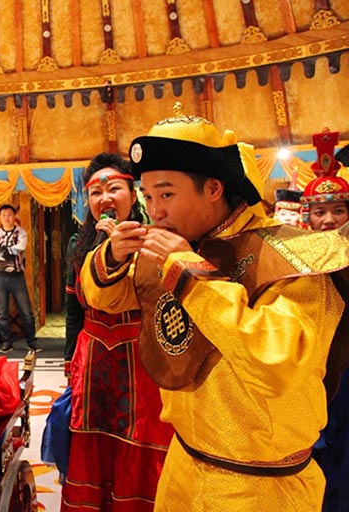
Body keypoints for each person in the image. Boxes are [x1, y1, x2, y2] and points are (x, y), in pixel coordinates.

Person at [80, 104, 349, 511]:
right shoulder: (181, 243)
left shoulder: (293, 255)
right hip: (182, 462)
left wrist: (189, 274)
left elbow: (277, 363)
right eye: (148, 196)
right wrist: (113, 255)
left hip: (259, 486)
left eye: (167, 194)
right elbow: (105, 298)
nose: (156, 211)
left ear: (213, 188)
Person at [59, 153, 172, 511]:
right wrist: (67, 362)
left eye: (114, 189)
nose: (104, 198)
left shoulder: (156, 238)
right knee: (91, 442)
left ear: (133, 193)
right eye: (95, 192)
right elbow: (74, 309)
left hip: (142, 359)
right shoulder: (78, 244)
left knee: (142, 440)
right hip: (92, 358)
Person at [300, 128, 349, 512]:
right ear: (309, 218)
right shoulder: (297, 262)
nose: (329, 219)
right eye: (320, 212)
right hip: (314, 367)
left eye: (338, 210)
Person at [0, 204, 41, 353]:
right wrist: (9, 252)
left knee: (26, 310)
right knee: (2, 312)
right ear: (0, 217)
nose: (7, 218)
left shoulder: (21, 233)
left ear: (14, 216)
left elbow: (20, 248)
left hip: (17, 276)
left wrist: (4, 250)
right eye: (4, 215)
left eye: (10, 215)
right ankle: (6, 342)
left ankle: (32, 341)